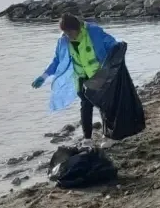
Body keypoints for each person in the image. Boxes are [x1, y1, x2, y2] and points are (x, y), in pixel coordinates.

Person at [31, 14, 119, 149]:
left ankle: (108, 136)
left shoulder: (93, 33)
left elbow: (112, 44)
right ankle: (87, 139)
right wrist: (43, 76)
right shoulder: (63, 41)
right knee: (85, 106)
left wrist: (117, 53)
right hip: (81, 77)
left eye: (69, 32)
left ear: (77, 28)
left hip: (99, 74)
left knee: (104, 106)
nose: (67, 35)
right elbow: (57, 61)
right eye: (64, 32)